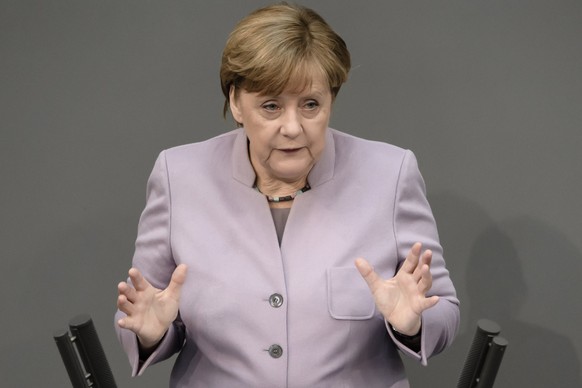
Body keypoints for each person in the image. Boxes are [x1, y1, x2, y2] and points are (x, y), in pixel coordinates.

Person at [115, 3, 459, 387]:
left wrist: (413, 323)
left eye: (311, 104)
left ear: (331, 100)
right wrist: (151, 333)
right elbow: (141, 312)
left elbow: (443, 309)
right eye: (271, 106)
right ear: (235, 102)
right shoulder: (178, 176)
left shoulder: (391, 174)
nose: (292, 127)